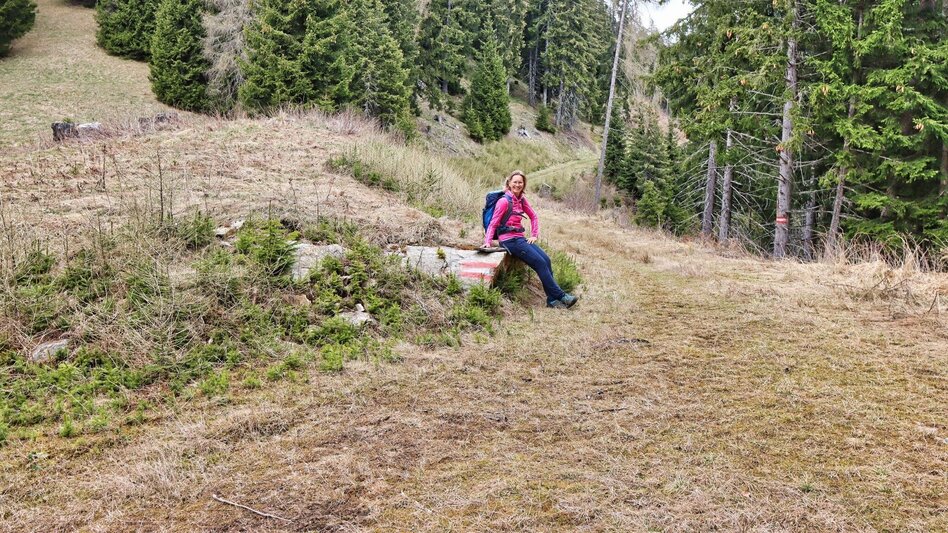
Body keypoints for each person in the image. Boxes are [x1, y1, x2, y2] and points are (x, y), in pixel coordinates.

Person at [484, 170, 579, 309]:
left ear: (523, 184)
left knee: (546, 260)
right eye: (515, 182)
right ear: (509, 183)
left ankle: (552, 300)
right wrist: (487, 241)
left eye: (520, 182)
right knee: (540, 262)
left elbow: (533, 216)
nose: (517, 185)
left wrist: (534, 234)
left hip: (519, 238)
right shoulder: (504, 201)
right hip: (509, 240)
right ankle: (560, 296)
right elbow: (493, 223)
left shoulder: (521, 200)